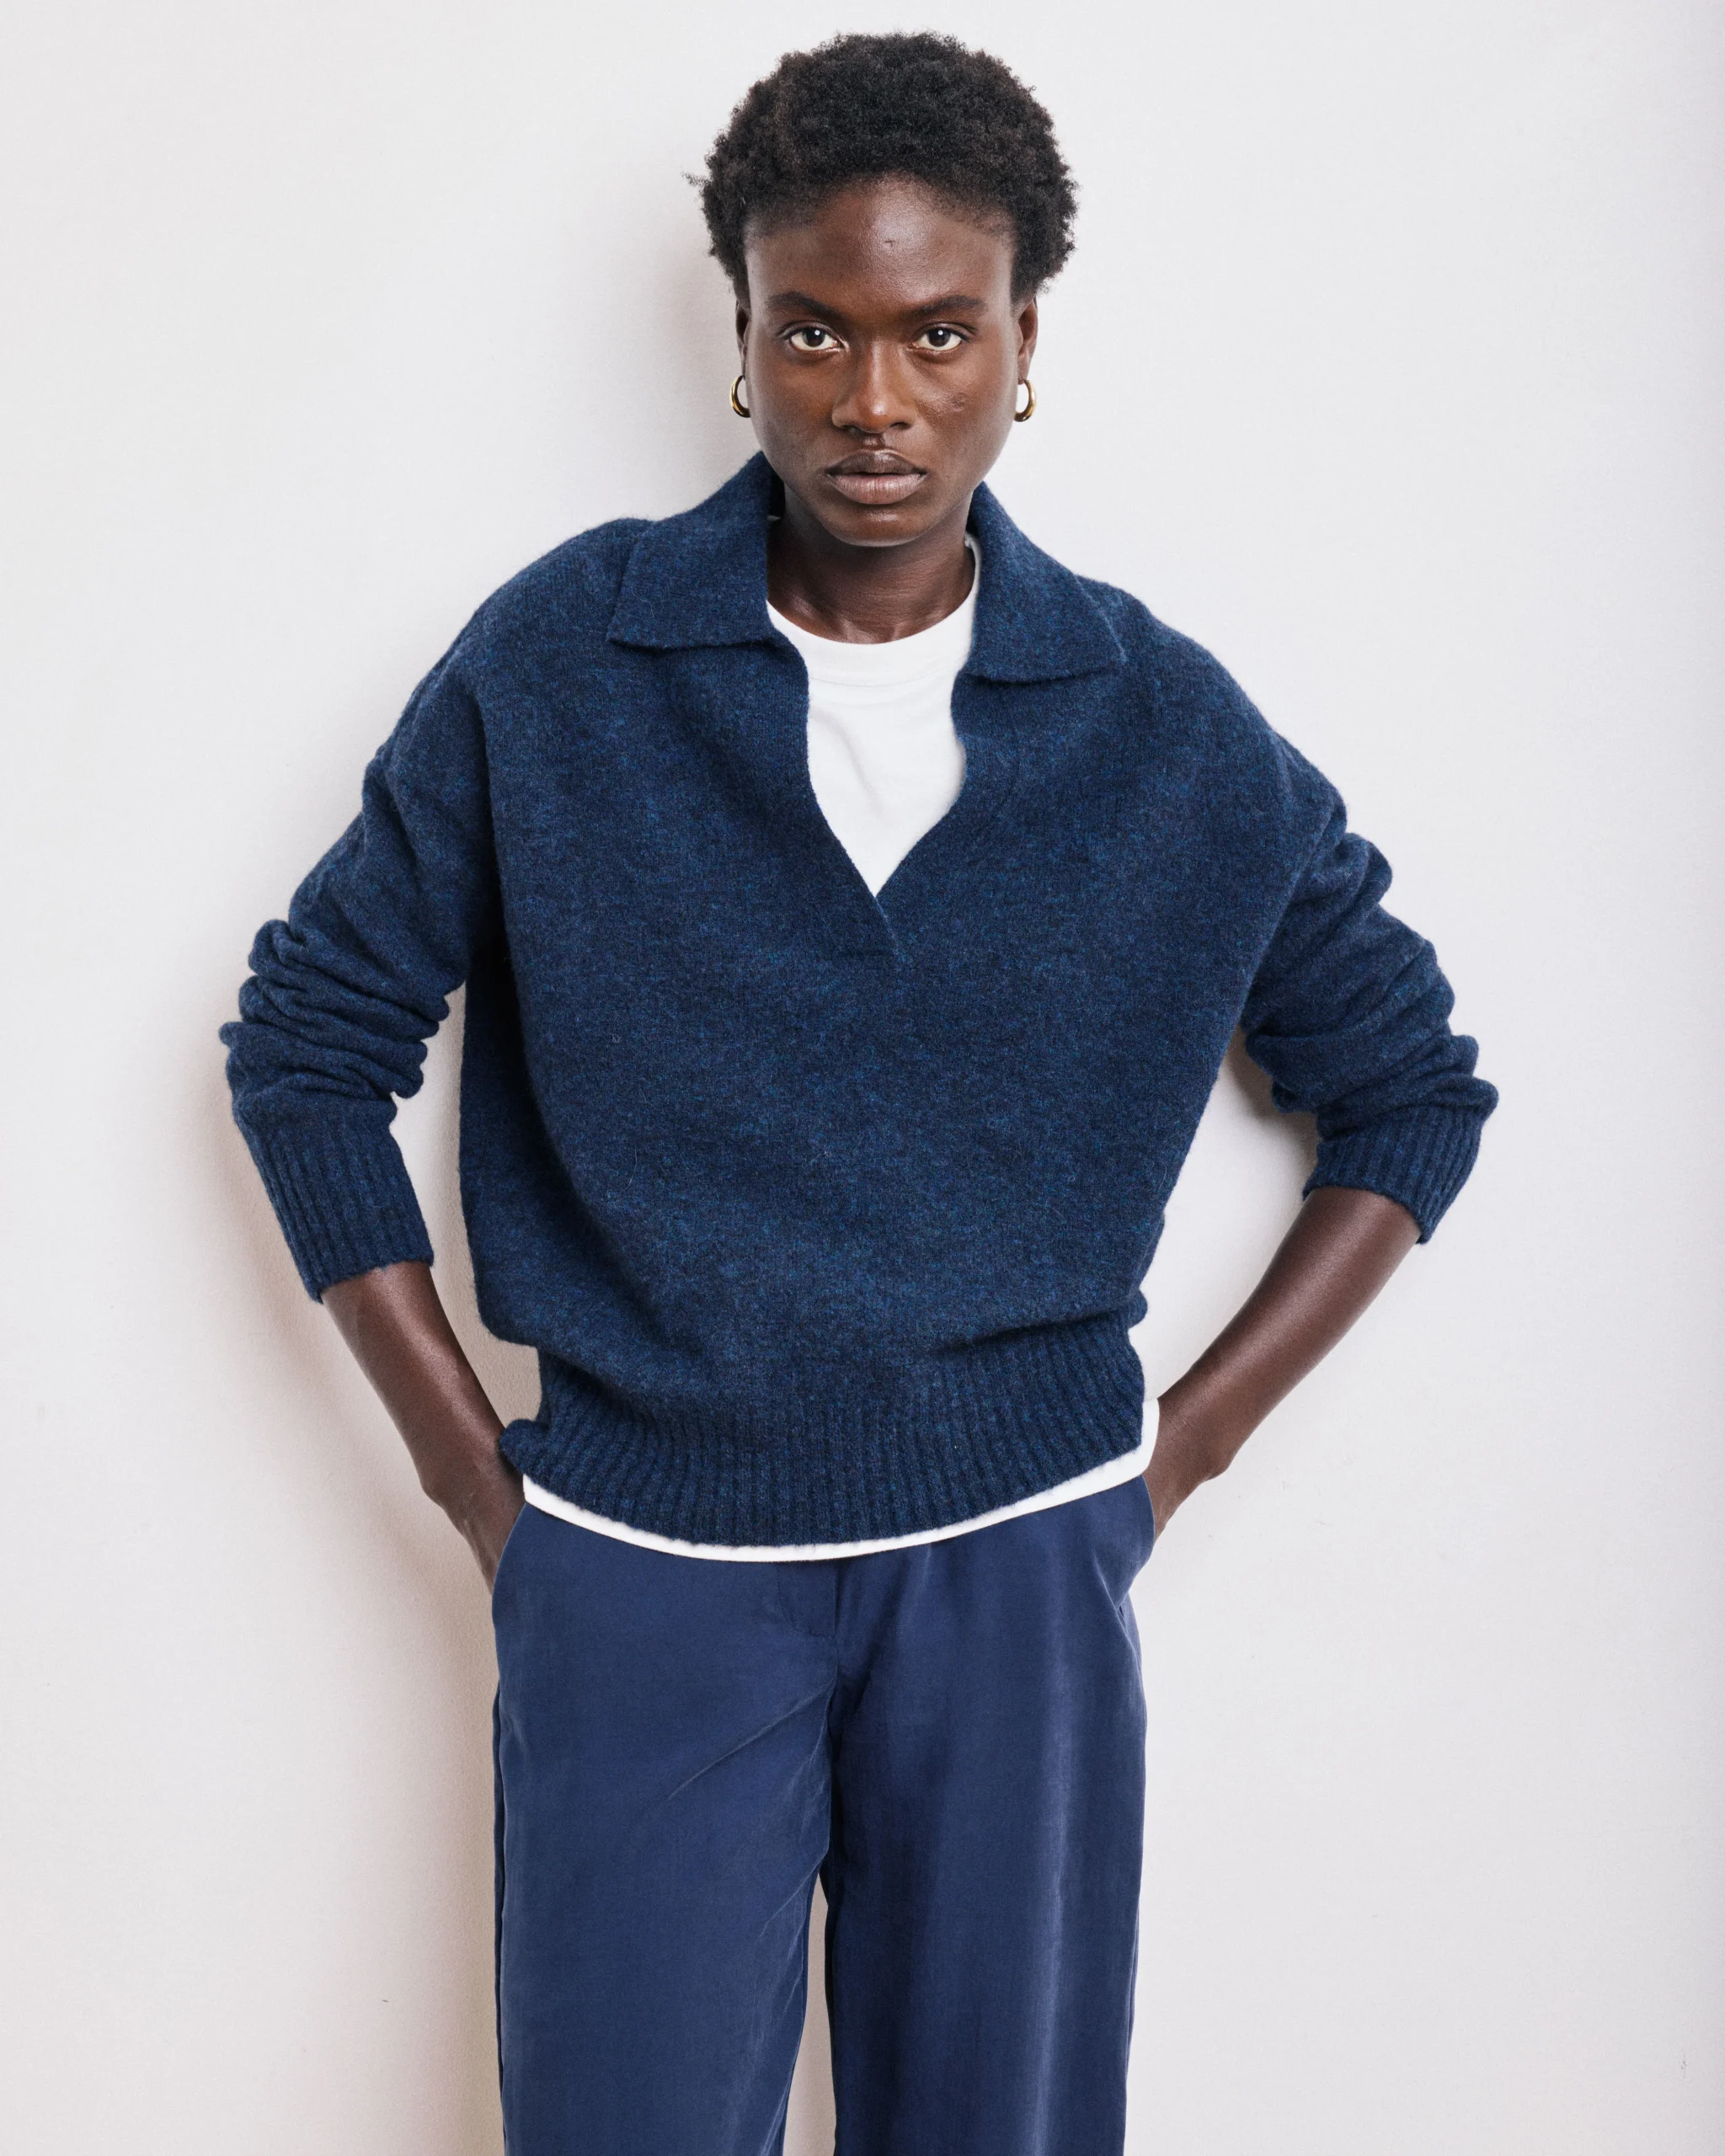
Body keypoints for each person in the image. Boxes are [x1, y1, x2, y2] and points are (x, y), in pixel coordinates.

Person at [222, 31, 1496, 2156]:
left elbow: (1409, 1092)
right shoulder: (564, 663)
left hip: (1016, 1569)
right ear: (740, 344)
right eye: (811, 327)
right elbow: (306, 1044)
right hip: (638, 1560)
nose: (873, 397)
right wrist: (476, 1487)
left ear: (1023, 345)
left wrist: (1169, 1457)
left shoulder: (1162, 731)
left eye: (936, 331)